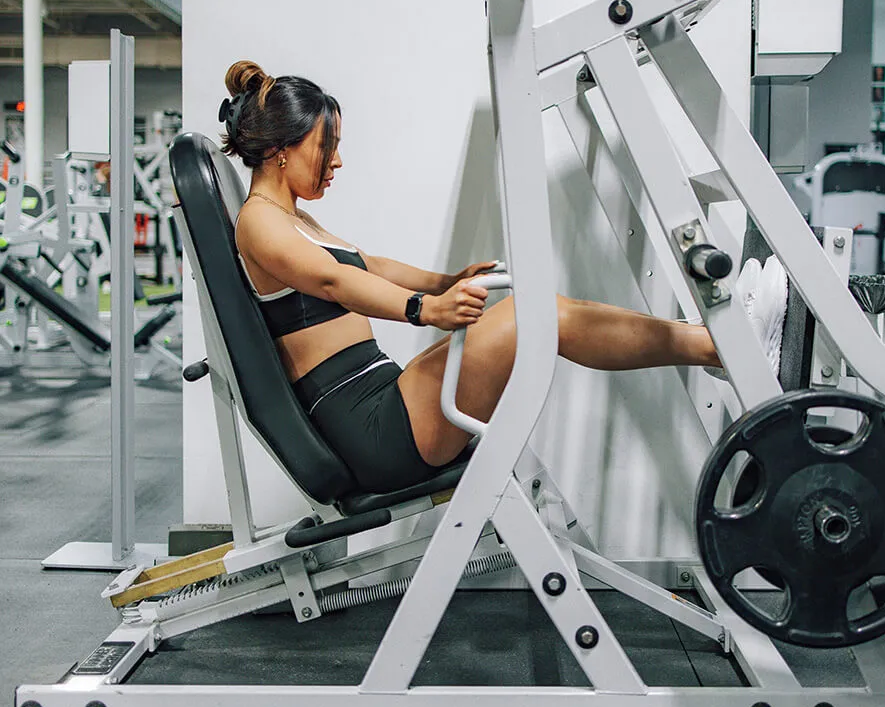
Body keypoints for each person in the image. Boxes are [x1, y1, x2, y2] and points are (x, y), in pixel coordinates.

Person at [223, 61, 788, 494]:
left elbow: (366, 266)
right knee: (527, 317)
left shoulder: (292, 219)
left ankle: (713, 345)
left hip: (380, 395)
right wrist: (426, 310)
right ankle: (720, 347)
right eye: (327, 145)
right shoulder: (260, 224)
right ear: (279, 150)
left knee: (538, 310)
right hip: (371, 428)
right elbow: (332, 283)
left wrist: (444, 281)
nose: (337, 161)